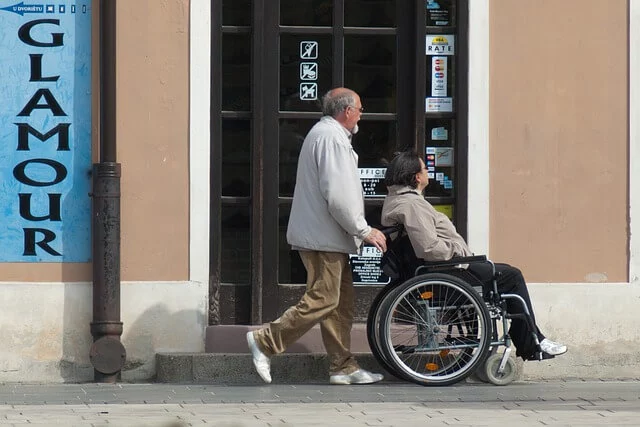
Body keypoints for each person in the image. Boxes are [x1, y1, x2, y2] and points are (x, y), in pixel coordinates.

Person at [246, 88, 388, 385]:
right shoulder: (331, 138)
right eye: (360, 109)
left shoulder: (328, 135)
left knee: (339, 304)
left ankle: (342, 366)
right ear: (346, 111)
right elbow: (339, 195)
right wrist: (364, 229)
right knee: (324, 299)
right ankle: (265, 340)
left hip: (327, 236)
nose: (362, 114)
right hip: (324, 237)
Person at [380, 151, 567, 361]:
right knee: (512, 276)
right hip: (444, 271)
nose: (427, 172)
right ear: (416, 177)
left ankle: (530, 338)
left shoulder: (398, 200)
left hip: (439, 271)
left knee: (502, 271)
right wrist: (458, 251)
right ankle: (531, 341)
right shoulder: (412, 205)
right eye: (425, 168)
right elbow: (429, 248)